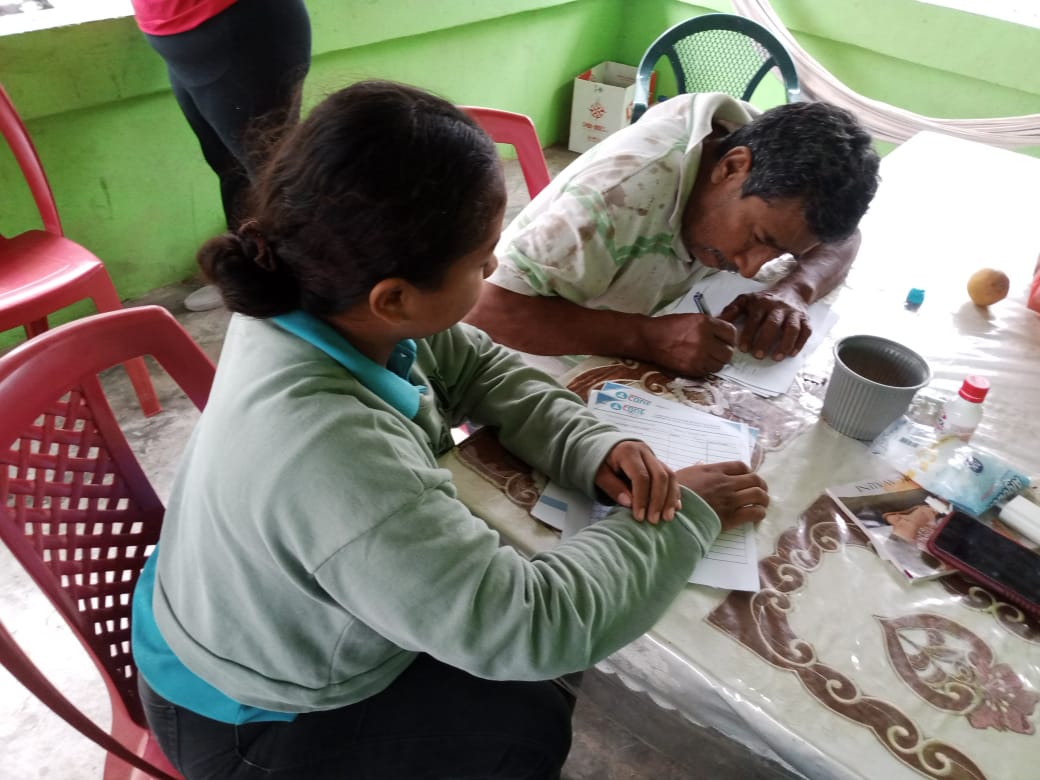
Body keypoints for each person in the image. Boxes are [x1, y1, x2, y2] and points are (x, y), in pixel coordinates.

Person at [131, 80, 770, 779]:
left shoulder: (316, 296)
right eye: (481, 258)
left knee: (528, 686)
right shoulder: (332, 450)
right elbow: (531, 626)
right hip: (245, 714)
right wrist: (684, 518)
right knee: (525, 727)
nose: (495, 267)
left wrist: (591, 443)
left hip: (246, 614)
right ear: (395, 297)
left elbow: (478, 365)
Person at [465, 92, 881, 377]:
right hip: (526, 362)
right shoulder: (618, 197)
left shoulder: (763, 144)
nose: (749, 268)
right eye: (759, 238)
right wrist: (646, 337)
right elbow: (486, 308)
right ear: (731, 168)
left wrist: (794, 290)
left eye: (779, 253)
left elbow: (843, 238)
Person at [130, 0, 311, 311]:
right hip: (179, 37)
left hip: (235, 23)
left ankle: (314, 291)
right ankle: (251, 277)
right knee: (231, 169)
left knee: (277, 180)